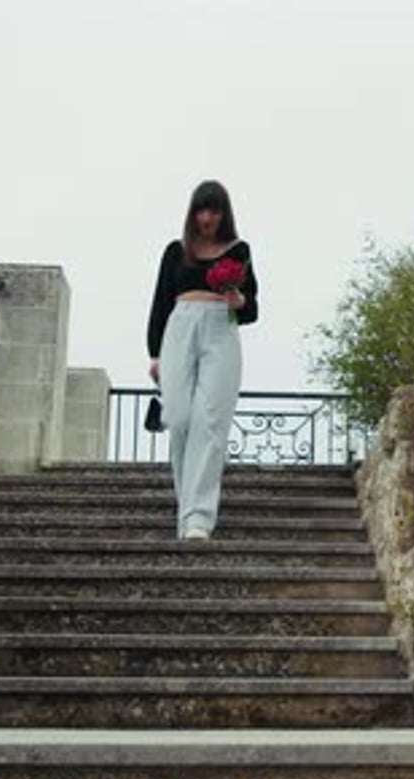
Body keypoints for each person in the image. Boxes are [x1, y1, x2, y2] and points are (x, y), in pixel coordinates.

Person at [146, 179, 259, 540]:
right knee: (178, 417)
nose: (207, 217)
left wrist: (237, 300)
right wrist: (154, 353)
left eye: (214, 210)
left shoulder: (238, 251)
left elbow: (252, 308)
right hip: (179, 328)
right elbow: (161, 302)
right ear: (193, 212)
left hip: (220, 330)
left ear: (224, 214)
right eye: (201, 209)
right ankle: (187, 507)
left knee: (210, 422)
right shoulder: (175, 251)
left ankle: (198, 518)